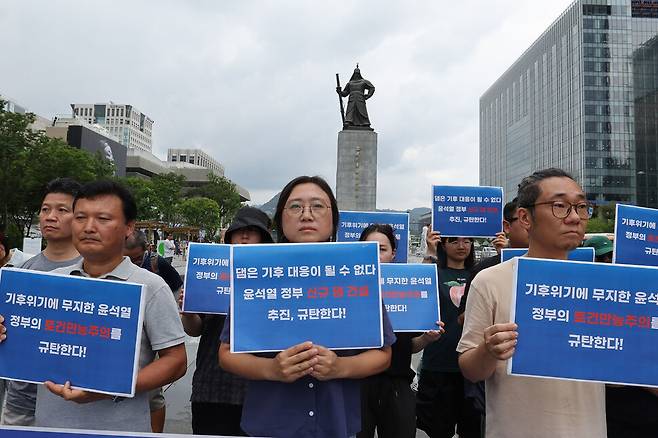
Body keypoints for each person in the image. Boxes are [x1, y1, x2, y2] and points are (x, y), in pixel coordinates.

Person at [0, 180, 188, 432]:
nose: (89, 227)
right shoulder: (49, 284)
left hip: (119, 430)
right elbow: (22, 347)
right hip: (49, 427)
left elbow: (176, 361)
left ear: (128, 228)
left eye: (103, 218)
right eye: (80, 217)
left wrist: (108, 387)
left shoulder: (151, 286)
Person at [218, 175, 395, 438]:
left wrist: (340, 368)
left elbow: (382, 354)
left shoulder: (356, 274)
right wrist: (271, 370)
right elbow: (226, 353)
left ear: (333, 219)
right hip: (269, 425)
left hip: (336, 425)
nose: (307, 215)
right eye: (295, 207)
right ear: (280, 219)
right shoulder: (257, 273)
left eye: (318, 206)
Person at [458, 168, 606, 438]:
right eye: (560, 206)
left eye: (582, 206)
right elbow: (470, 369)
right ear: (525, 217)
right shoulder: (490, 281)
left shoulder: (604, 286)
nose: (574, 217)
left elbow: (615, 373)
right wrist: (489, 350)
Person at [180, 206, 273, 436]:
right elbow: (195, 330)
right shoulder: (209, 273)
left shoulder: (275, 277)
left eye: (252, 231)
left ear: (263, 239)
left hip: (259, 387)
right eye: (239, 230)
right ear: (229, 235)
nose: (244, 236)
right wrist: (188, 311)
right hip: (212, 387)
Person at [2, 178, 83, 427]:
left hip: (71, 404)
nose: (50, 216)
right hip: (19, 403)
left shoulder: (93, 272)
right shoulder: (20, 272)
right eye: (45, 209)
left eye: (62, 210)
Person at [357, 224, 444, 438]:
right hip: (357, 383)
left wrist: (426, 338)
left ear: (393, 253)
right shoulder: (347, 290)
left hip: (397, 382)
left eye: (382, 249)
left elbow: (410, 347)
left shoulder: (405, 289)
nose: (375, 255)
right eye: (368, 248)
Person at [582, 235, 658, 437]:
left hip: (647, 413)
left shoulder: (641, 298)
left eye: (610, 256)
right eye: (601, 258)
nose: (607, 261)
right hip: (608, 413)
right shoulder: (580, 305)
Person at [417, 232, 481, 438]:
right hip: (438, 364)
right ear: (443, 245)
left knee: (472, 429)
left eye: (467, 240)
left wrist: (503, 250)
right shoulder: (435, 273)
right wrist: (429, 250)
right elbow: (417, 286)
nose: (462, 245)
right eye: (454, 241)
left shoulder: (482, 275)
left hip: (472, 366)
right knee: (437, 429)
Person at [124, 230, 184, 433]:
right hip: (130, 330)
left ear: (147, 250)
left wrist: (167, 311)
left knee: (152, 391)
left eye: (137, 258)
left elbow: (177, 285)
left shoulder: (158, 264)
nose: (133, 263)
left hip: (157, 328)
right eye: (127, 258)